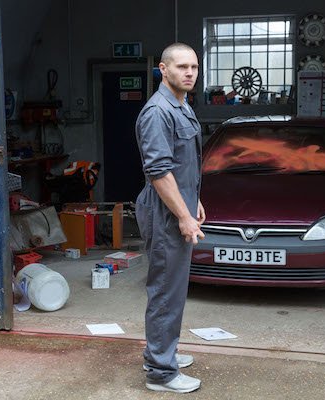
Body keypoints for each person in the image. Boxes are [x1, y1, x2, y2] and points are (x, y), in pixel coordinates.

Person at [134, 42, 205, 393]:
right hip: (165, 214)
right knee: (165, 290)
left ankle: (164, 351)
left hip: (179, 206)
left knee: (173, 289)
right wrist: (183, 215)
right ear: (163, 70)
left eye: (193, 66)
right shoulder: (157, 112)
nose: (189, 72)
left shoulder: (181, 106)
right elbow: (160, 171)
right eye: (181, 67)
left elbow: (183, 163)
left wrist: (195, 201)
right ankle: (161, 372)